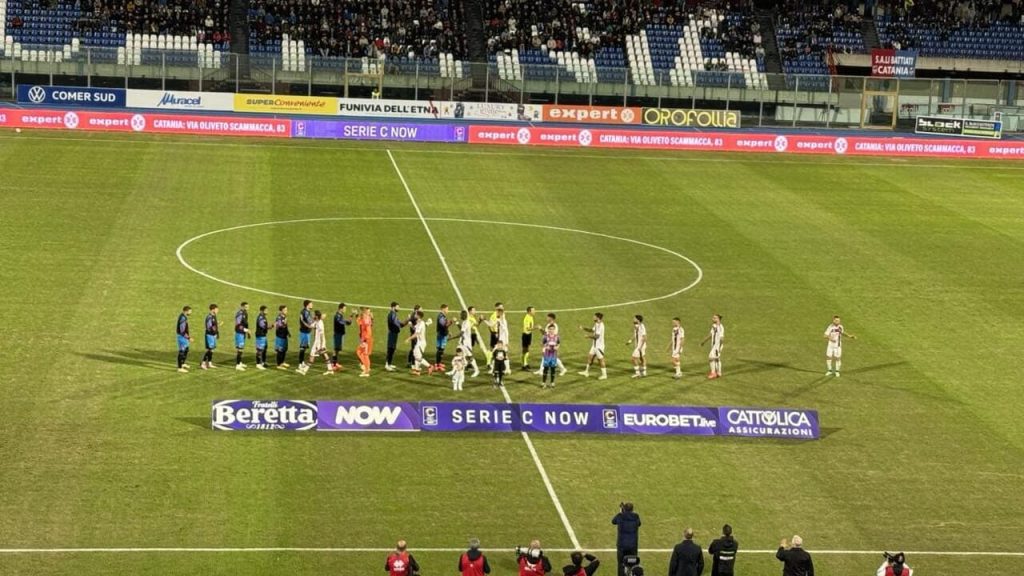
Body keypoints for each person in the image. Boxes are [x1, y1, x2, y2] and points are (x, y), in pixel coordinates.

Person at [298, 310, 331, 375]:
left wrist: (321, 346)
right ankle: (330, 369)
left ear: (316, 316)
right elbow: (309, 326)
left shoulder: (320, 324)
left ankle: (304, 371)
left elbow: (321, 335)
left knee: (312, 356)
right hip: (318, 342)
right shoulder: (316, 322)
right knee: (324, 355)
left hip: (318, 343)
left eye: (313, 314)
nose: (312, 315)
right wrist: (302, 321)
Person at [612, 502, 640, 576]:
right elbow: (639, 523)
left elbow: (613, 521)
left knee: (621, 564)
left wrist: (621, 512)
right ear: (632, 509)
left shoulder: (620, 516)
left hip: (622, 546)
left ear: (624, 509)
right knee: (633, 564)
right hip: (633, 546)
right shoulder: (636, 516)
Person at [579, 313, 608, 380]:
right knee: (590, 357)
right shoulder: (596, 324)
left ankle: (604, 375)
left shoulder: (601, 326)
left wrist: (588, 336)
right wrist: (583, 328)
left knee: (600, 360)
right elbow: (592, 330)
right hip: (594, 346)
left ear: (598, 318)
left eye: (594, 317)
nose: (593, 317)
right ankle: (586, 372)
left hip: (599, 347)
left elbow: (597, 336)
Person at [407, 310, 434, 375]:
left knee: (418, 357)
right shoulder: (419, 322)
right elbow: (414, 329)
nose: (414, 315)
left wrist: (409, 339)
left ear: (418, 316)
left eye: (416, 314)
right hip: (419, 342)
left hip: (421, 343)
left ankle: (430, 366)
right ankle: (417, 371)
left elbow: (416, 334)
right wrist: (410, 324)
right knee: (415, 355)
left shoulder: (421, 323)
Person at [457, 310, 481, 378]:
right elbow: (461, 330)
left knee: (470, 357)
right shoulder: (465, 322)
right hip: (463, 342)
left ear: (463, 316)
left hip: (466, 343)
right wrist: (457, 322)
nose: (460, 316)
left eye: (461, 315)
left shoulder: (466, 323)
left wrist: (450, 338)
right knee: (461, 355)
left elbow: (461, 333)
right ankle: (459, 369)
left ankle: (476, 370)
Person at [700, 314, 724, 379]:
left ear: (718, 319)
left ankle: (713, 373)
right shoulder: (714, 326)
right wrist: (704, 341)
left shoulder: (720, 327)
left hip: (717, 346)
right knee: (717, 359)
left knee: (711, 357)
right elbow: (711, 334)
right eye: (713, 317)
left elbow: (722, 338)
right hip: (714, 346)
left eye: (715, 318)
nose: (713, 319)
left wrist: (719, 347)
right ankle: (719, 373)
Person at [385, 301, 405, 372]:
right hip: (392, 334)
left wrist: (404, 322)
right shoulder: (392, 314)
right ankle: (387, 365)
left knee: (392, 349)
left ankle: (389, 364)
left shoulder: (394, 314)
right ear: (393, 307)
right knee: (390, 349)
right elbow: (397, 323)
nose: (399, 308)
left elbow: (399, 324)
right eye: (398, 306)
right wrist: (403, 323)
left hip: (394, 334)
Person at [333, 302, 352, 368]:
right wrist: (347, 321)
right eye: (344, 308)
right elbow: (341, 322)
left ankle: (336, 363)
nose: (345, 310)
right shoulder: (337, 316)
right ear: (340, 309)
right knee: (336, 349)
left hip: (340, 334)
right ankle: (333, 364)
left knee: (337, 349)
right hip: (337, 334)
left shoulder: (340, 315)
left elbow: (347, 323)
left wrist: (350, 317)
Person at [201, 303, 220, 370]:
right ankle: (203, 363)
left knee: (212, 350)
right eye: (216, 309)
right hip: (209, 335)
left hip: (213, 335)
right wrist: (217, 327)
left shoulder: (214, 316)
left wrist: (217, 333)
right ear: (213, 309)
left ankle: (209, 363)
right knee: (209, 349)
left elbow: (214, 325)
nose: (217, 311)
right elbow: (209, 327)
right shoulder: (209, 317)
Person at [296, 299, 314, 371]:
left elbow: (310, 320)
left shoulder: (307, 311)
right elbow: (307, 321)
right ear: (307, 305)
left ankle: (302, 362)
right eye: (311, 304)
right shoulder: (305, 312)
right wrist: (313, 324)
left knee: (305, 347)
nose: (312, 305)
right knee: (302, 348)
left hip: (307, 332)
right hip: (304, 332)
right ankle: (300, 364)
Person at [356, 307, 374, 377]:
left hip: (366, 339)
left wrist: (364, 340)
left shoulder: (366, 319)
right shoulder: (366, 318)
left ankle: (366, 370)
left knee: (363, 354)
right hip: (365, 339)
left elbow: (367, 329)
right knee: (361, 353)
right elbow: (359, 322)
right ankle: (366, 368)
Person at [176, 305, 193, 373]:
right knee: (182, 352)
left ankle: (183, 363)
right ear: (186, 311)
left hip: (184, 337)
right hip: (182, 337)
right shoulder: (182, 318)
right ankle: (179, 368)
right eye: (190, 311)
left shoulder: (184, 317)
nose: (190, 313)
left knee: (186, 349)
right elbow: (182, 331)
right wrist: (189, 338)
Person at [234, 302, 250, 371]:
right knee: (239, 349)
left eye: (248, 307)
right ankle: (237, 365)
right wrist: (246, 330)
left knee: (241, 348)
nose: (247, 308)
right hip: (239, 333)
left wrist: (246, 331)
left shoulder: (245, 313)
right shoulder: (240, 314)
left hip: (243, 333)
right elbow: (237, 325)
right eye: (246, 307)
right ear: (242, 307)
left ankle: (240, 362)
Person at [274, 305, 291, 369]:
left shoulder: (284, 317)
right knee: (280, 351)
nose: (286, 311)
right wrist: (284, 323)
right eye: (285, 310)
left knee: (284, 350)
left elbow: (285, 326)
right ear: (281, 311)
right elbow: (280, 326)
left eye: (286, 310)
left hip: (284, 335)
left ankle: (282, 362)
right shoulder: (279, 318)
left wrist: (288, 332)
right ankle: (279, 365)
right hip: (280, 336)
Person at [435, 303, 451, 369]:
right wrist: (450, 322)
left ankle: (438, 363)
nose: (448, 310)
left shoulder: (442, 316)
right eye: (447, 309)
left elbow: (445, 326)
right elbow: (444, 325)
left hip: (442, 334)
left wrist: (448, 332)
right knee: (440, 350)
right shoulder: (441, 316)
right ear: (443, 309)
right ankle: (438, 365)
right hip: (442, 335)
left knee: (440, 350)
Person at [254, 305, 269, 370]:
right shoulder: (261, 317)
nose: (267, 311)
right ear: (262, 311)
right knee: (259, 350)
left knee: (265, 348)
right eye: (266, 310)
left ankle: (263, 362)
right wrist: (270, 326)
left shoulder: (263, 317)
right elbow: (262, 326)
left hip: (263, 335)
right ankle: (258, 364)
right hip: (260, 335)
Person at [522, 306, 536, 370]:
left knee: (526, 350)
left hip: (529, 334)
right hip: (526, 335)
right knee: (525, 350)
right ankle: (524, 365)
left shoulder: (531, 317)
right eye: (533, 310)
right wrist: (536, 327)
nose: (534, 311)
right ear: (529, 311)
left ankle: (525, 363)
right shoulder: (527, 318)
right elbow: (528, 328)